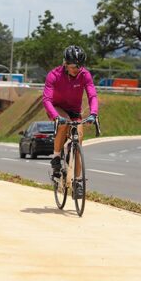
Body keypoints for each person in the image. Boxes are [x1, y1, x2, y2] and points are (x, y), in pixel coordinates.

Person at [42, 45, 98, 197]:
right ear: (65, 63)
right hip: (57, 108)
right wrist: (55, 116)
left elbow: (92, 95)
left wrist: (93, 113)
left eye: (80, 66)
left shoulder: (85, 75)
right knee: (64, 122)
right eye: (74, 67)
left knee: (78, 138)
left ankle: (77, 181)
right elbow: (46, 99)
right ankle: (56, 158)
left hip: (74, 111)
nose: (77, 70)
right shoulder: (54, 75)